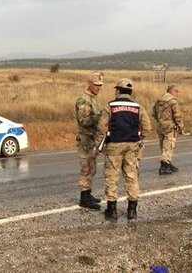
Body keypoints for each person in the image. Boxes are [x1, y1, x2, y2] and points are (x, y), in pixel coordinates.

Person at [95, 78, 152, 220]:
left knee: (112, 177)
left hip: (114, 145)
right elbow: (147, 128)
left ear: (118, 90)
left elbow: (101, 128)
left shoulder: (110, 106)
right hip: (132, 146)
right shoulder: (138, 107)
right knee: (131, 176)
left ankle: (112, 210)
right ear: (130, 92)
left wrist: (99, 146)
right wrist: (138, 138)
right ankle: (132, 211)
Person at [74, 71, 105, 210]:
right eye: (96, 85)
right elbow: (84, 120)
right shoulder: (84, 100)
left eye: (100, 85)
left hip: (92, 139)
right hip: (86, 139)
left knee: (92, 168)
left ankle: (88, 192)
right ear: (89, 84)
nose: (99, 87)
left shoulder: (93, 98)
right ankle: (84, 197)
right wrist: (99, 118)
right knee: (86, 168)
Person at [152, 84, 184, 175]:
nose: (177, 93)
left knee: (163, 146)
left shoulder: (159, 99)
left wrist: (160, 120)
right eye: (176, 91)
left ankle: (168, 164)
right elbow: (177, 116)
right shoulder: (173, 101)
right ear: (172, 90)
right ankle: (164, 167)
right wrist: (180, 127)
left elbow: (153, 113)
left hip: (160, 126)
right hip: (170, 127)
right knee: (168, 146)